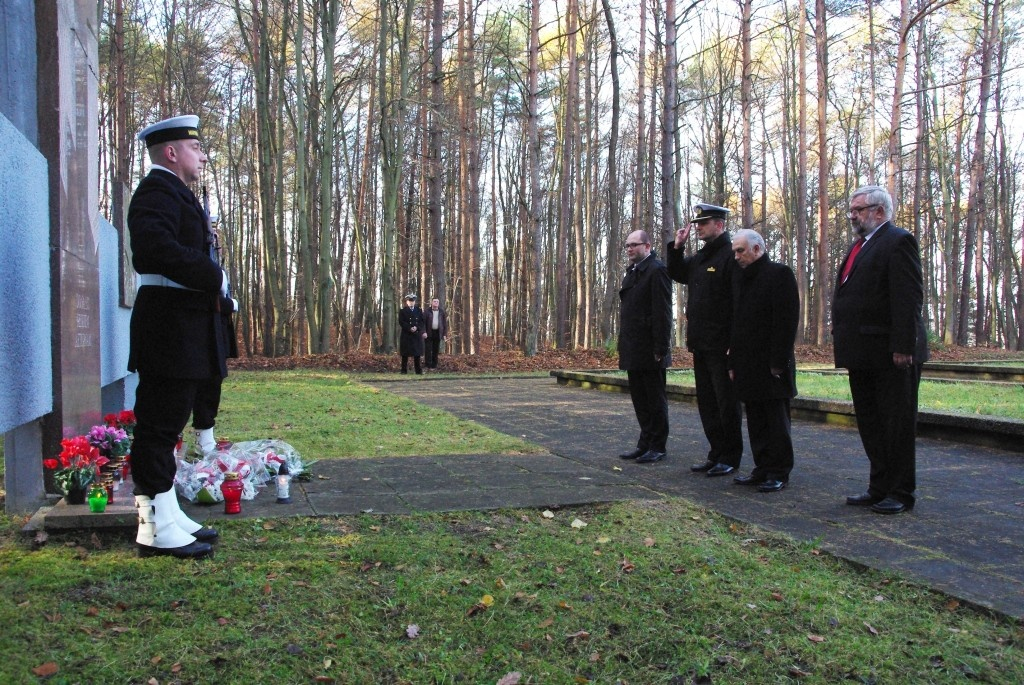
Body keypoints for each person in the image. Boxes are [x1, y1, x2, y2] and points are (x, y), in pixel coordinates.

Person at [128, 115, 224, 559]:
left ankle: (167, 514)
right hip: (168, 329)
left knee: (169, 424)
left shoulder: (175, 194)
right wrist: (212, 274)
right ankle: (152, 527)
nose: (202, 155)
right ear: (171, 152)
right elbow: (152, 249)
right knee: (158, 425)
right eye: (195, 147)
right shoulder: (156, 192)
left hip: (181, 328)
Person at [832, 185, 928, 515]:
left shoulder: (898, 241)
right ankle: (878, 487)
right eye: (852, 209)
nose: (853, 215)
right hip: (863, 354)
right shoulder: (860, 245)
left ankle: (900, 492)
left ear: (880, 212)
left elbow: (908, 298)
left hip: (891, 355)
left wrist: (904, 346)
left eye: (859, 209)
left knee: (895, 425)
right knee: (871, 424)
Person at [666, 203, 744, 477]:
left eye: (704, 222)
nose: (697, 227)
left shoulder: (730, 255)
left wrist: (734, 341)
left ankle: (730, 456)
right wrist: (677, 247)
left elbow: (737, 303)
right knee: (708, 403)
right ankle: (715, 453)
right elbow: (678, 273)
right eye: (697, 223)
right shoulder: (701, 257)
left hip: (722, 344)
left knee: (726, 403)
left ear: (720, 225)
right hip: (701, 343)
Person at [727, 229, 799, 493]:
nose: (736, 256)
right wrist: (732, 362)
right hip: (746, 362)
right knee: (756, 418)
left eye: (740, 250)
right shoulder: (740, 278)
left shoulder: (779, 274)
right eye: (734, 250)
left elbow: (786, 321)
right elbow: (736, 323)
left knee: (775, 419)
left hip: (771, 363)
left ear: (757, 249)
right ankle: (761, 467)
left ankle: (779, 471)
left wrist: (778, 361)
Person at [617, 230, 673, 464]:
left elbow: (663, 312)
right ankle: (645, 442)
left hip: (651, 348)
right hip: (633, 347)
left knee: (654, 399)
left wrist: (661, 347)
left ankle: (657, 445)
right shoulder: (633, 272)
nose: (629, 249)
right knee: (640, 399)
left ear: (647, 246)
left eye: (634, 245)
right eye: (627, 245)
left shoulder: (657, 270)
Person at [399, 294, 426, 374]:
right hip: (406, 334)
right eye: (409, 301)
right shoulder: (403, 311)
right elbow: (401, 322)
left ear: (414, 302)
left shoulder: (419, 310)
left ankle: (418, 370)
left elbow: (421, 321)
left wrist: (416, 327)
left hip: (416, 334)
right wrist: (409, 328)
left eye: (412, 301)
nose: (411, 303)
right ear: (407, 302)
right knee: (405, 354)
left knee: (417, 354)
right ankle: (403, 370)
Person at [423, 298, 449, 369]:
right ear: (431, 303)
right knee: (428, 349)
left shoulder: (441, 312)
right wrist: (424, 332)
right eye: (434, 301)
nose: (436, 303)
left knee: (436, 349)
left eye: (437, 301)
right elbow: (423, 323)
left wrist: (444, 334)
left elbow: (444, 324)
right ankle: (428, 365)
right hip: (428, 333)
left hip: (438, 333)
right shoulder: (427, 311)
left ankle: (434, 365)